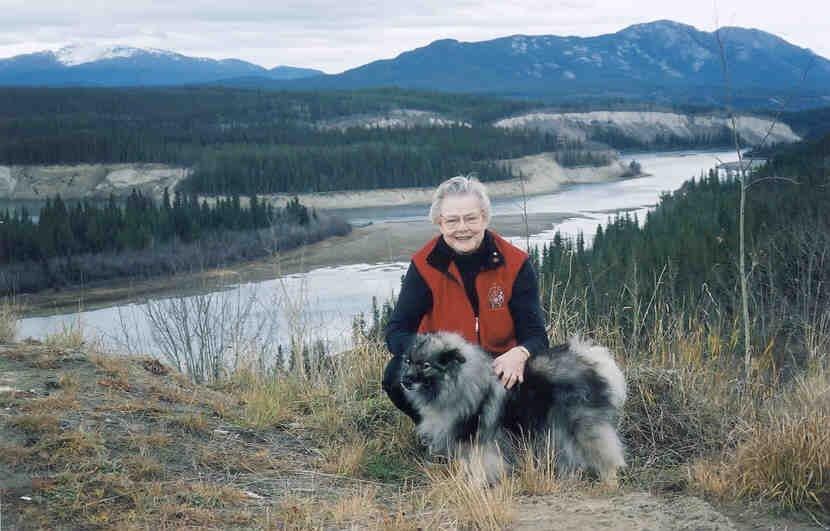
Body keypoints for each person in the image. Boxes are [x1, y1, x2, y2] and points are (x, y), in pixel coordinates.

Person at [383, 175, 549, 423]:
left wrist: (520, 353)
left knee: (537, 385)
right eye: (452, 220)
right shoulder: (423, 265)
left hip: (499, 366)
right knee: (394, 376)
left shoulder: (515, 263)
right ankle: (441, 430)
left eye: (471, 218)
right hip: (445, 367)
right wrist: (432, 352)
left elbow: (536, 335)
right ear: (439, 223)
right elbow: (396, 331)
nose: (462, 228)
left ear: (484, 217)